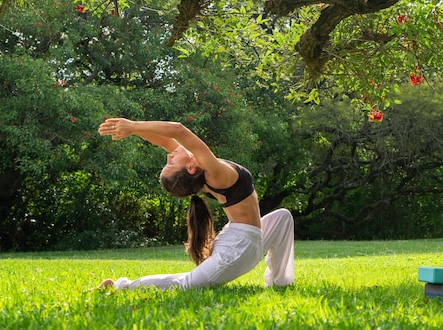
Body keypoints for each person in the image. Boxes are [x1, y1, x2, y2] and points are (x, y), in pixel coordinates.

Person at [97, 118, 295, 290]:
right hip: (238, 248)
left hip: (250, 237)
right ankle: (121, 285)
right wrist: (133, 125)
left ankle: (280, 281)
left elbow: (166, 140)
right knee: (185, 284)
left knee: (283, 217)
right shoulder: (214, 173)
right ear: (191, 168)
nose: (169, 156)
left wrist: (134, 130)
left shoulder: (202, 170)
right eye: (171, 164)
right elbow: (179, 130)